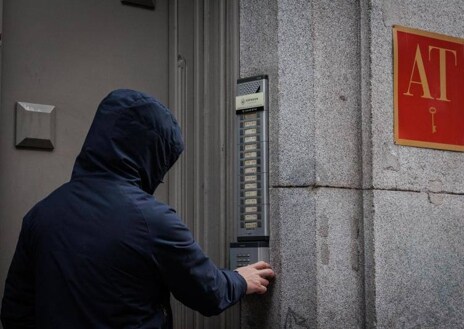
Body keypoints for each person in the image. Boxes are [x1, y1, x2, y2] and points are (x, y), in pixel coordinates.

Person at [1, 89, 275, 328]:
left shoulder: (41, 214)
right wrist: (239, 279)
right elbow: (208, 293)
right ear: (149, 155)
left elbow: (15, 313)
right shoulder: (152, 220)